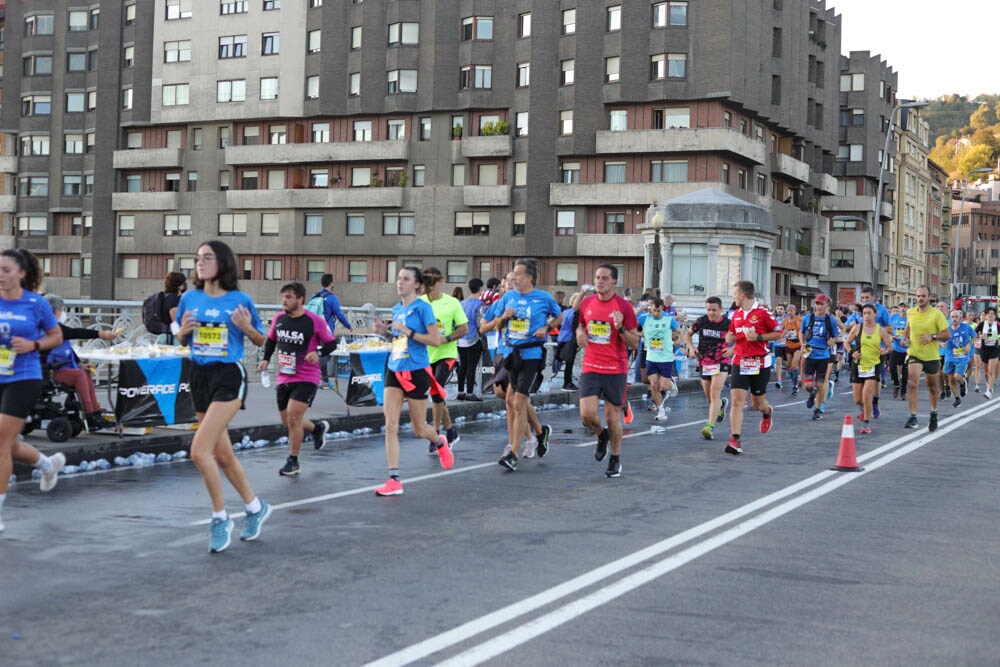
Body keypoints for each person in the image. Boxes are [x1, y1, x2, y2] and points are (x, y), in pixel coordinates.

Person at [175, 240, 271, 553]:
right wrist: (181, 333)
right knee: (223, 455)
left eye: (207, 258)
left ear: (223, 263)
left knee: (199, 451)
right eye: (197, 258)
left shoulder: (239, 299)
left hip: (228, 375)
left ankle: (220, 517)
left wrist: (246, 326)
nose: (200, 263)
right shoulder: (189, 298)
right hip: (199, 375)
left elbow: (262, 339)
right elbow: (181, 338)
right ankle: (255, 508)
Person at [371, 267, 454, 496]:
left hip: (416, 371)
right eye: (398, 278)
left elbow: (435, 340)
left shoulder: (423, 308)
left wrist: (408, 331)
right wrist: (384, 333)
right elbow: (397, 339)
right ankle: (394, 479)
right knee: (390, 425)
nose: (400, 283)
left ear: (417, 285)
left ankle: (439, 442)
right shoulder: (397, 309)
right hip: (394, 370)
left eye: (406, 279)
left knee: (419, 428)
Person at [0, 249, 66, 534]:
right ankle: (47, 464)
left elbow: (57, 336)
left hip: (23, 376)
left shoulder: (36, 304)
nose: (1, 275)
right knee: (8, 443)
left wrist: (33, 345)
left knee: (2, 442)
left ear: (21, 274)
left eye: (6, 270)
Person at [259, 282, 336, 477]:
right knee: (289, 421)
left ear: (300, 299)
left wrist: (317, 352)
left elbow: (331, 344)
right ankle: (317, 428)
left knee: (294, 417)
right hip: (284, 375)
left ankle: (292, 461)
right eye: (283, 297)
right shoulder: (278, 319)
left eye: (289, 297)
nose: (284, 301)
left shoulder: (314, 321)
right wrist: (266, 359)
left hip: (307, 375)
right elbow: (271, 341)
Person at [489, 259, 560, 470]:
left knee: (519, 402)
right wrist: (504, 317)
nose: (514, 278)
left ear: (529, 277)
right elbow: (495, 323)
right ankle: (539, 433)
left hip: (532, 354)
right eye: (513, 274)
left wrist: (546, 327)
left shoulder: (543, 298)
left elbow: (560, 317)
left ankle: (514, 452)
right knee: (511, 400)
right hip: (512, 353)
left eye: (518, 274)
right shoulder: (508, 297)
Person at [576, 264, 640, 478]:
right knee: (586, 415)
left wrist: (620, 327)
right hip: (591, 365)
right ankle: (601, 435)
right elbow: (581, 324)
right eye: (597, 277)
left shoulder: (623, 307)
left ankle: (615, 458)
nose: (599, 281)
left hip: (615, 368)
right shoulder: (586, 303)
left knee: (613, 417)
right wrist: (579, 332)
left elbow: (634, 342)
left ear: (614, 282)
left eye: (604, 278)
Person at [43, 295, 119, 432]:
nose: (63, 313)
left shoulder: (54, 327)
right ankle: (89, 414)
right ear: (54, 311)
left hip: (60, 368)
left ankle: (95, 412)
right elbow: (75, 332)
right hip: (50, 371)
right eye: (62, 310)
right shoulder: (50, 328)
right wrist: (101, 334)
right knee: (79, 375)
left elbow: (67, 348)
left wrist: (79, 364)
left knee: (85, 372)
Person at [724, 280, 781, 455]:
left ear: (742, 295)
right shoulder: (736, 314)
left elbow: (779, 333)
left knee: (757, 403)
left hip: (760, 362)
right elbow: (730, 333)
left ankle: (767, 411)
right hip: (740, 361)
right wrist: (729, 338)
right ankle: (735, 440)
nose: (733, 297)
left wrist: (759, 337)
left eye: (734, 294)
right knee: (736, 401)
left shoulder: (763, 313)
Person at [420, 267, 469, 449]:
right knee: (437, 396)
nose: (430, 286)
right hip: (426, 356)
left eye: (433, 282)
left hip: (446, 354)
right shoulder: (419, 302)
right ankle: (450, 429)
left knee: (436, 391)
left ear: (440, 282)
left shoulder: (452, 302)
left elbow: (464, 329)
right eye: (427, 283)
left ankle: (436, 434)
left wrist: (446, 338)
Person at [901, 285, 950, 431]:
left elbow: (947, 334)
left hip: (931, 356)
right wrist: (905, 339)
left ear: (929, 298)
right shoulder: (910, 312)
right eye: (918, 296)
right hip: (914, 353)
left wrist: (932, 337)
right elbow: (908, 330)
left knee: (932, 386)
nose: (920, 299)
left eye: (923, 296)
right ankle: (913, 417)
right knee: (913, 382)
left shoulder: (937, 314)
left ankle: (934, 412)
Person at [685, 296, 732, 440]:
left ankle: (709, 427)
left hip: (722, 360)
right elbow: (688, 334)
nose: (711, 313)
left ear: (721, 310)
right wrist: (691, 348)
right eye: (709, 310)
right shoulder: (702, 321)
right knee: (709, 396)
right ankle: (721, 405)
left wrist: (733, 349)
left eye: (714, 310)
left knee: (714, 391)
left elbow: (743, 339)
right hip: (705, 360)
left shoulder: (729, 324)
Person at [843, 304, 894, 434]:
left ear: (875, 314)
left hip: (873, 365)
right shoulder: (857, 328)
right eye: (864, 313)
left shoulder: (880, 330)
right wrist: (852, 352)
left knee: (866, 396)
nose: (866, 316)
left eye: (869, 313)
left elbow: (889, 347)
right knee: (858, 399)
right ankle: (863, 408)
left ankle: (866, 423)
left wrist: (884, 351)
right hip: (858, 365)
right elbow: (846, 343)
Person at [639, 298, 679, 421]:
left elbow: (679, 331)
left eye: (658, 311)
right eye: (654, 310)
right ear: (651, 308)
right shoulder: (645, 318)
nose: (655, 313)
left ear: (662, 309)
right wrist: (640, 309)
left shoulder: (668, 319)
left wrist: (679, 342)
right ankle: (661, 411)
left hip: (666, 357)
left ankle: (670, 382)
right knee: (653, 385)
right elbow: (629, 321)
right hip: (651, 357)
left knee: (664, 386)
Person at [801, 294, 840, 420]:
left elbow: (836, 337)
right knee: (808, 386)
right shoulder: (808, 318)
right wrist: (802, 344)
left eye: (821, 304)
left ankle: (817, 410)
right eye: (817, 303)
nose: (818, 306)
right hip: (810, 353)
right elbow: (801, 333)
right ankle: (811, 395)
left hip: (823, 355)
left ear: (827, 306)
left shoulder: (831, 320)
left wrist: (833, 341)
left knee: (820, 385)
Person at [311, 274, 352, 389]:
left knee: (320, 352)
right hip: (325, 331)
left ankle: (324, 380)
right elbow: (339, 315)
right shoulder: (332, 298)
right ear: (331, 283)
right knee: (326, 352)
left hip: (313, 330)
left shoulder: (314, 296)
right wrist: (348, 326)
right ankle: (320, 378)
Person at [456, 278, 486, 402]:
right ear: (480, 289)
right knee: (471, 367)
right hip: (473, 338)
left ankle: (460, 392)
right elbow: (480, 324)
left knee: (462, 365)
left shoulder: (462, 303)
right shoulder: (479, 305)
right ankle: (470, 393)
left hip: (460, 338)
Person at [943, 309, 976, 408]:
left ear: (960, 318)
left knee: (957, 376)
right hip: (950, 357)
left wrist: (969, 344)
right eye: (952, 317)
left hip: (962, 357)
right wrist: (942, 343)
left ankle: (962, 382)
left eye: (956, 317)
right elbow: (940, 340)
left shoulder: (966, 327)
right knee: (951, 379)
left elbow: (974, 337)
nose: (954, 319)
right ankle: (957, 399)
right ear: (950, 318)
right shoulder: (947, 330)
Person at [975, 307, 999, 399]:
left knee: (991, 371)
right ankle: (989, 385)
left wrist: (997, 337)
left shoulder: (998, 325)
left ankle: (989, 391)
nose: (990, 316)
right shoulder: (981, 324)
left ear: (994, 316)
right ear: (986, 316)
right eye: (989, 314)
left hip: (995, 349)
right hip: (984, 349)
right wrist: (980, 336)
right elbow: (974, 335)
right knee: (985, 372)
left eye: (992, 314)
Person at [780, 304, 803, 396]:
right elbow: (780, 331)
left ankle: (795, 386)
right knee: (790, 366)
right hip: (789, 344)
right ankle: (795, 381)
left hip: (798, 344)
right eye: (788, 311)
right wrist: (783, 333)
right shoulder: (785, 321)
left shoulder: (798, 319)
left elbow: (803, 330)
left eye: (791, 311)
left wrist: (800, 336)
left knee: (794, 365)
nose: (790, 312)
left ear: (795, 311)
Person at [888, 302, 909, 399]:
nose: (903, 309)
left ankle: (903, 392)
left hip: (906, 350)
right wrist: (890, 336)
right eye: (901, 307)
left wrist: (907, 340)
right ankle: (896, 384)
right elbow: (887, 329)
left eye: (905, 307)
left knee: (905, 372)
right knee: (892, 367)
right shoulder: (893, 317)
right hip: (895, 347)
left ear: (908, 308)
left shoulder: (910, 319)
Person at [772, 303, 786, 389]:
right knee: (778, 361)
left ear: (784, 310)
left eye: (781, 309)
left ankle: (789, 369)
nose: (779, 310)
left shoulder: (788, 320)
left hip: (788, 345)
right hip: (778, 345)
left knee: (788, 364)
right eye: (778, 309)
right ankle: (779, 380)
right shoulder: (774, 321)